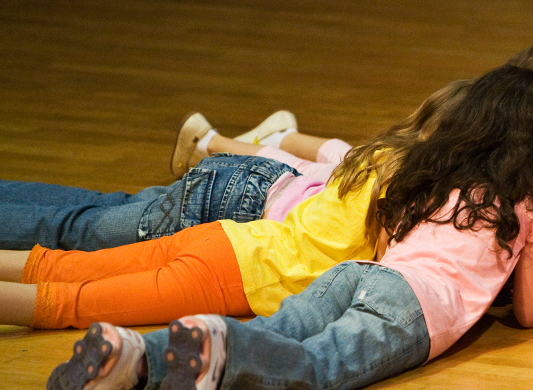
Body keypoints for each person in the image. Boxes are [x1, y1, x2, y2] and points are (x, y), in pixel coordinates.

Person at [43, 65, 533, 390]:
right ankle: (222, 353)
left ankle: (135, 358)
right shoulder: (530, 198)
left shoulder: (431, 169)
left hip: (359, 274)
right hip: (410, 306)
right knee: (317, 365)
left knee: (282, 327)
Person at [0, 80, 475, 329]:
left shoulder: (377, 155)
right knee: (70, 299)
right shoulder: (411, 195)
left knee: (66, 261)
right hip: (230, 274)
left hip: (229, 234)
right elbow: (392, 272)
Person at [0, 111, 343, 252]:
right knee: (78, 229)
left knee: (106, 205)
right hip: (244, 212)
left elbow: (332, 159)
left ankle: (216, 142)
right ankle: (214, 142)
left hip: (249, 178)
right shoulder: (392, 215)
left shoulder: (385, 164)